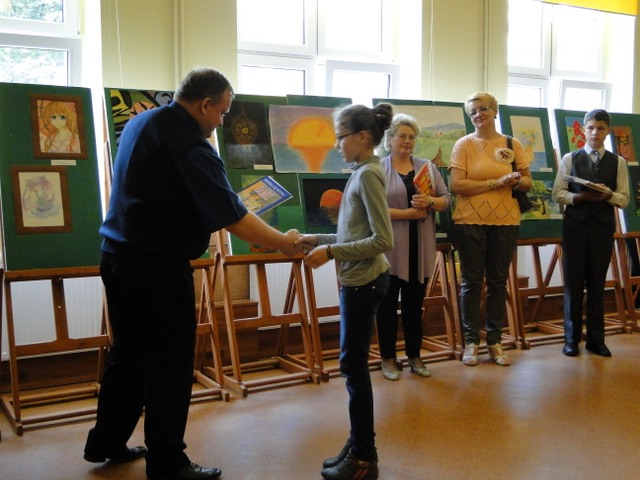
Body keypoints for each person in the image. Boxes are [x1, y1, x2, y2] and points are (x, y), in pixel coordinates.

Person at [83, 67, 302, 480]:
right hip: (156, 268)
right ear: (204, 105)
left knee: (127, 356)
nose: (221, 122)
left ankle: (106, 442)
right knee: (168, 365)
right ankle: (167, 462)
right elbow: (233, 218)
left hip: (117, 257)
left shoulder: (143, 121)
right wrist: (284, 243)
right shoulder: (190, 145)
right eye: (222, 113)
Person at [296, 103, 394, 480]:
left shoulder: (368, 175)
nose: (337, 145)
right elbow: (354, 233)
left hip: (365, 282)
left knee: (353, 369)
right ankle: (357, 444)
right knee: (352, 367)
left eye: (341, 137)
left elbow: (382, 240)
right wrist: (318, 239)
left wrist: (330, 253)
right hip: (358, 280)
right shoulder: (361, 172)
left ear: (363, 137)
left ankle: (364, 458)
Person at [448, 92, 531, 367]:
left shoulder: (512, 144)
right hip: (469, 222)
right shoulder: (463, 145)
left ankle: (495, 342)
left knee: (497, 283)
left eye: (483, 109)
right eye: (473, 111)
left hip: (506, 222)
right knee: (471, 283)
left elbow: (528, 182)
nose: (478, 114)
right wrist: (496, 182)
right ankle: (471, 342)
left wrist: (516, 180)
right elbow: (457, 185)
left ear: (495, 110)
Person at [376, 113, 451, 381]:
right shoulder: (377, 169)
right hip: (388, 251)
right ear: (390, 139)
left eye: (411, 137)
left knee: (413, 307)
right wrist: (406, 214)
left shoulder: (426, 168)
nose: (407, 141)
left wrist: (431, 201)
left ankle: (415, 356)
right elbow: (371, 209)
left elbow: (446, 200)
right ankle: (387, 359)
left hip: (419, 250)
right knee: (386, 308)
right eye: (402, 136)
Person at [551, 109, 629, 357]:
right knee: (573, 283)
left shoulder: (618, 162)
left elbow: (624, 199)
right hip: (575, 227)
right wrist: (580, 197)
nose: (595, 132)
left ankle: (596, 340)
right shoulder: (570, 158)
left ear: (608, 131)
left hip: (602, 228)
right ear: (584, 130)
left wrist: (608, 194)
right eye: (591, 128)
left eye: (601, 128)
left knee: (597, 283)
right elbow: (557, 193)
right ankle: (571, 340)